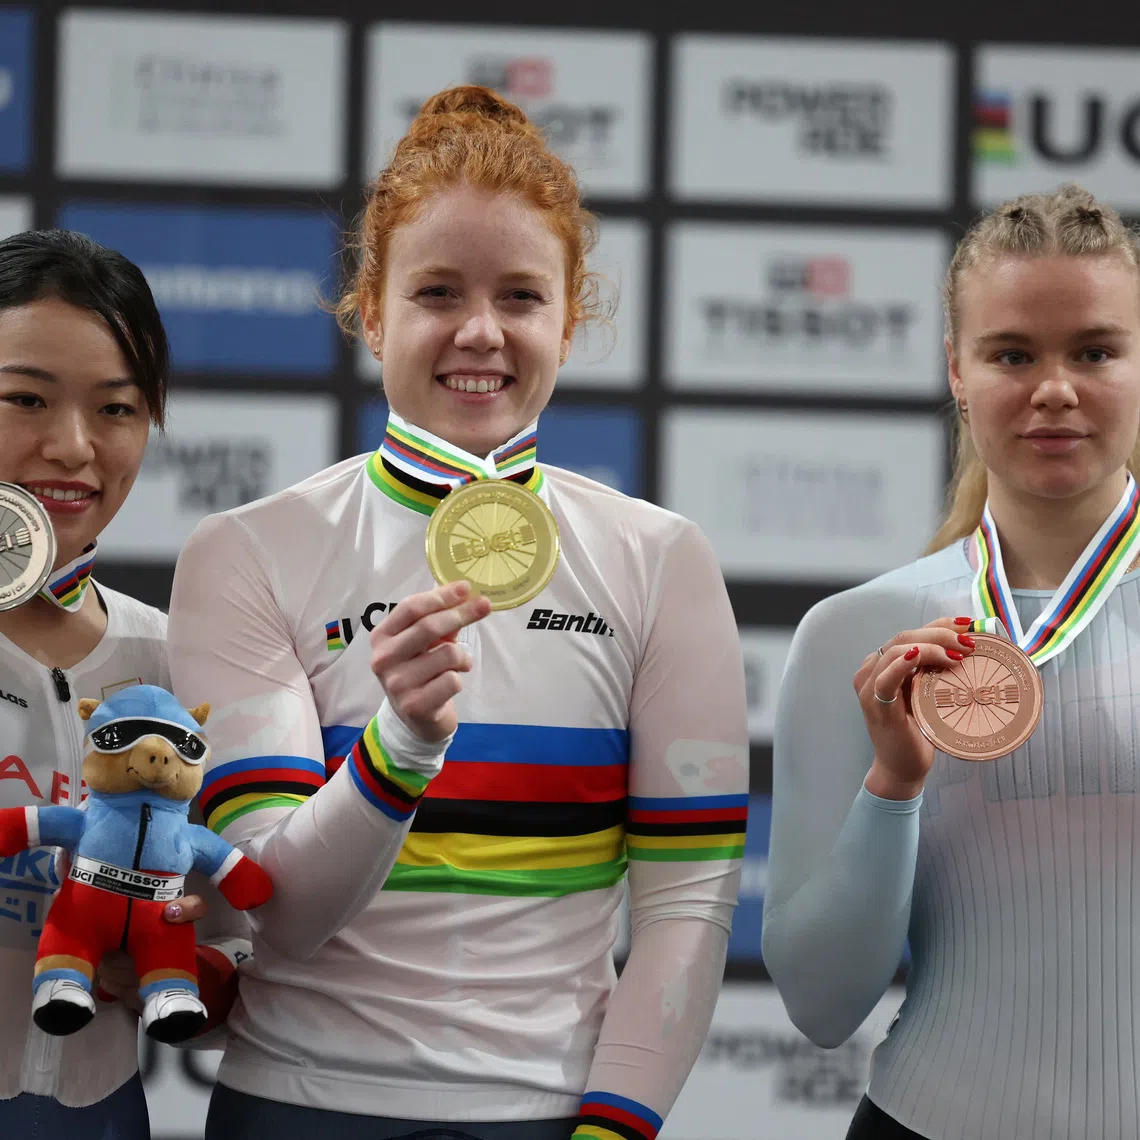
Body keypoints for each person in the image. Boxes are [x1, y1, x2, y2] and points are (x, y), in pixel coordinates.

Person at [165, 85, 749, 1140]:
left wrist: (611, 1131)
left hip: (550, 1116)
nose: (480, 331)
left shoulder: (660, 561)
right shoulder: (247, 555)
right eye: (438, 292)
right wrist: (401, 746)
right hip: (296, 1112)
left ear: (571, 320)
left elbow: (687, 908)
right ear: (374, 311)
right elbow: (273, 912)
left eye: (521, 297)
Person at [762, 182, 1140, 1140]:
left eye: (1095, 351)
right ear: (956, 371)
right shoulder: (861, 629)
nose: (1054, 388)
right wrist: (893, 784)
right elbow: (819, 1001)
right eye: (1013, 353)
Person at [0, 230, 246, 1139]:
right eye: (24, 398)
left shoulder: (177, 662)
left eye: (117, 409)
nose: (73, 447)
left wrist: (167, 965)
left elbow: (230, 966)